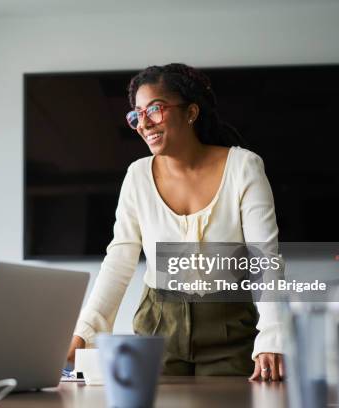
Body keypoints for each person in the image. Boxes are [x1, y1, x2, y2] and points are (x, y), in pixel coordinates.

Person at [67, 63, 284, 381]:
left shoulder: (243, 167)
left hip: (229, 330)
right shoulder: (137, 175)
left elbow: (264, 258)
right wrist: (84, 332)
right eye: (136, 114)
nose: (143, 123)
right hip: (157, 329)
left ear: (191, 112)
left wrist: (272, 336)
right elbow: (119, 261)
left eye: (154, 109)